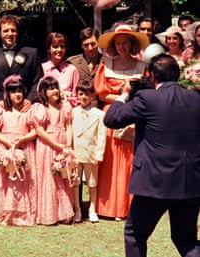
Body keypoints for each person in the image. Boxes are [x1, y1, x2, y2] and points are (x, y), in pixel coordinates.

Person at [104, 54, 200, 257]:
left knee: (135, 234)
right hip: (189, 180)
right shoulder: (195, 98)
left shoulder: (147, 98)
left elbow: (112, 119)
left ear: (153, 76)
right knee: (186, 239)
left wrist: (124, 94)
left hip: (154, 181)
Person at [94, 24, 149, 220]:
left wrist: (130, 101)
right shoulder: (106, 66)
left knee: (131, 160)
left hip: (134, 114)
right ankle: (111, 207)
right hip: (113, 113)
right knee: (111, 159)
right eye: (118, 43)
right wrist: (122, 95)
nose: (122, 47)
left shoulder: (142, 67)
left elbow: (146, 93)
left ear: (132, 44)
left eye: (126, 43)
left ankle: (131, 207)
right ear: (113, 45)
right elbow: (101, 93)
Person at [0, 74, 36, 226]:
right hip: (3, 148)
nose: (17, 94)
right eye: (13, 92)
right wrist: (8, 143)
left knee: (20, 182)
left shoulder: (28, 112)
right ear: (7, 94)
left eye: (20, 91)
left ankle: (19, 213)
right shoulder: (1, 111)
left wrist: (21, 140)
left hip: (22, 147)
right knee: (2, 181)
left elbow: (34, 131)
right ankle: (1, 212)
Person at [29, 76, 74, 225]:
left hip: (62, 144)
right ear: (43, 91)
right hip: (48, 145)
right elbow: (39, 131)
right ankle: (49, 213)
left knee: (62, 177)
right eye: (50, 88)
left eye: (56, 87)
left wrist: (67, 145)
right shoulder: (41, 108)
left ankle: (64, 212)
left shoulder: (64, 107)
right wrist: (56, 145)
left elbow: (68, 126)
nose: (54, 90)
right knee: (49, 177)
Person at [0, 14, 42, 110]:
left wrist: (30, 99)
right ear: (0, 33)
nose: (10, 34)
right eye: (6, 31)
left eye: (13, 30)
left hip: (26, 108)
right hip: (1, 109)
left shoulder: (32, 54)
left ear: (17, 32)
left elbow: (38, 80)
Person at [71, 81, 107, 223]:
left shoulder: (99, 114)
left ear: (92, 95)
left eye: (87, 94)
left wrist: (99, 154)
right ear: (77, 95)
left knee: (92, 183)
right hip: (76, 154)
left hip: (91, 154)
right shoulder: (73, 112)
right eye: (81, 94)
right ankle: (78, 210)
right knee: (75, 183)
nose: (84, 97)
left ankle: (92, 209)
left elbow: (101, 136)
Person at [41, 32, 80, 107]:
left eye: (62, 47)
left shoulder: (72, 69)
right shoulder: (42, 68)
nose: (59, 50)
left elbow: (76, 95)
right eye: (55, 47)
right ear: (49, 49)